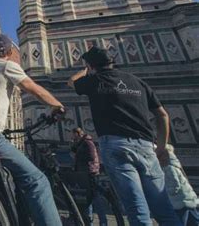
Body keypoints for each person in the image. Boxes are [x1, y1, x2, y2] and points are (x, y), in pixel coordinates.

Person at [68, 46, 181, 225]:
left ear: (91, 65)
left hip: (116, 147)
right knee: (164, 208)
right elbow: (163, 115)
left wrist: (84, 72)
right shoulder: (137, 82)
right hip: (146, 146)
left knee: (137, 209)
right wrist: (160, 148)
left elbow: (71, 82)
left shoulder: (95, 80)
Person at [0, 34, 65, 226]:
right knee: (38, 181)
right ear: (9, 52)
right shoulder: (6, 65)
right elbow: (33, 88)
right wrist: (57, 105)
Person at [71, 127, 107, 226]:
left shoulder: (87, 142)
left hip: (90, 173)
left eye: (73, 134)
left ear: (77, 134)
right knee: (87, 198)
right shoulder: (81, 143)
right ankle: (89, 221)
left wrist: (79, 157)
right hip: (84, 172)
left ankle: (103, 222)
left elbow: (91, 156)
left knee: (95, 198)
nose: (72, 136)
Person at [163, 144, 199, 226]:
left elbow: (174, 185)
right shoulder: (176, 165)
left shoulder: (168, 167)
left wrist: (164, 193)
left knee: (180, 222)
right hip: (188, 199)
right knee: (194, 221)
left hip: (179, 201)